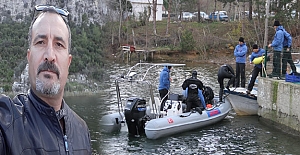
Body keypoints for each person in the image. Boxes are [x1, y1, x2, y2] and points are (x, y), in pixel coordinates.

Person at [0, 5, 91, 154]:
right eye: (41, 42)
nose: (50, 55)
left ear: (68, 62)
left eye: (59, 44)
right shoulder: (7, 123)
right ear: (29, 57)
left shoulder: (82, 130)